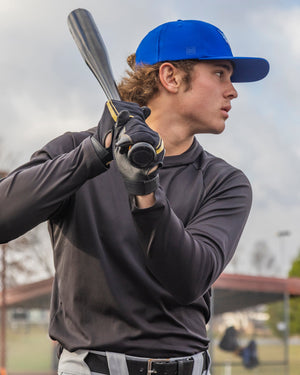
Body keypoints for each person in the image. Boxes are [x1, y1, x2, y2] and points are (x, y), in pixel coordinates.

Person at [0, 19, 269, 375]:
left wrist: (145, 192)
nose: (232, 90)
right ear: (171, 77)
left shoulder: (225, 182)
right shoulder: (74, 151)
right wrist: (95, 153)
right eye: (220, 73)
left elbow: (189, 278)